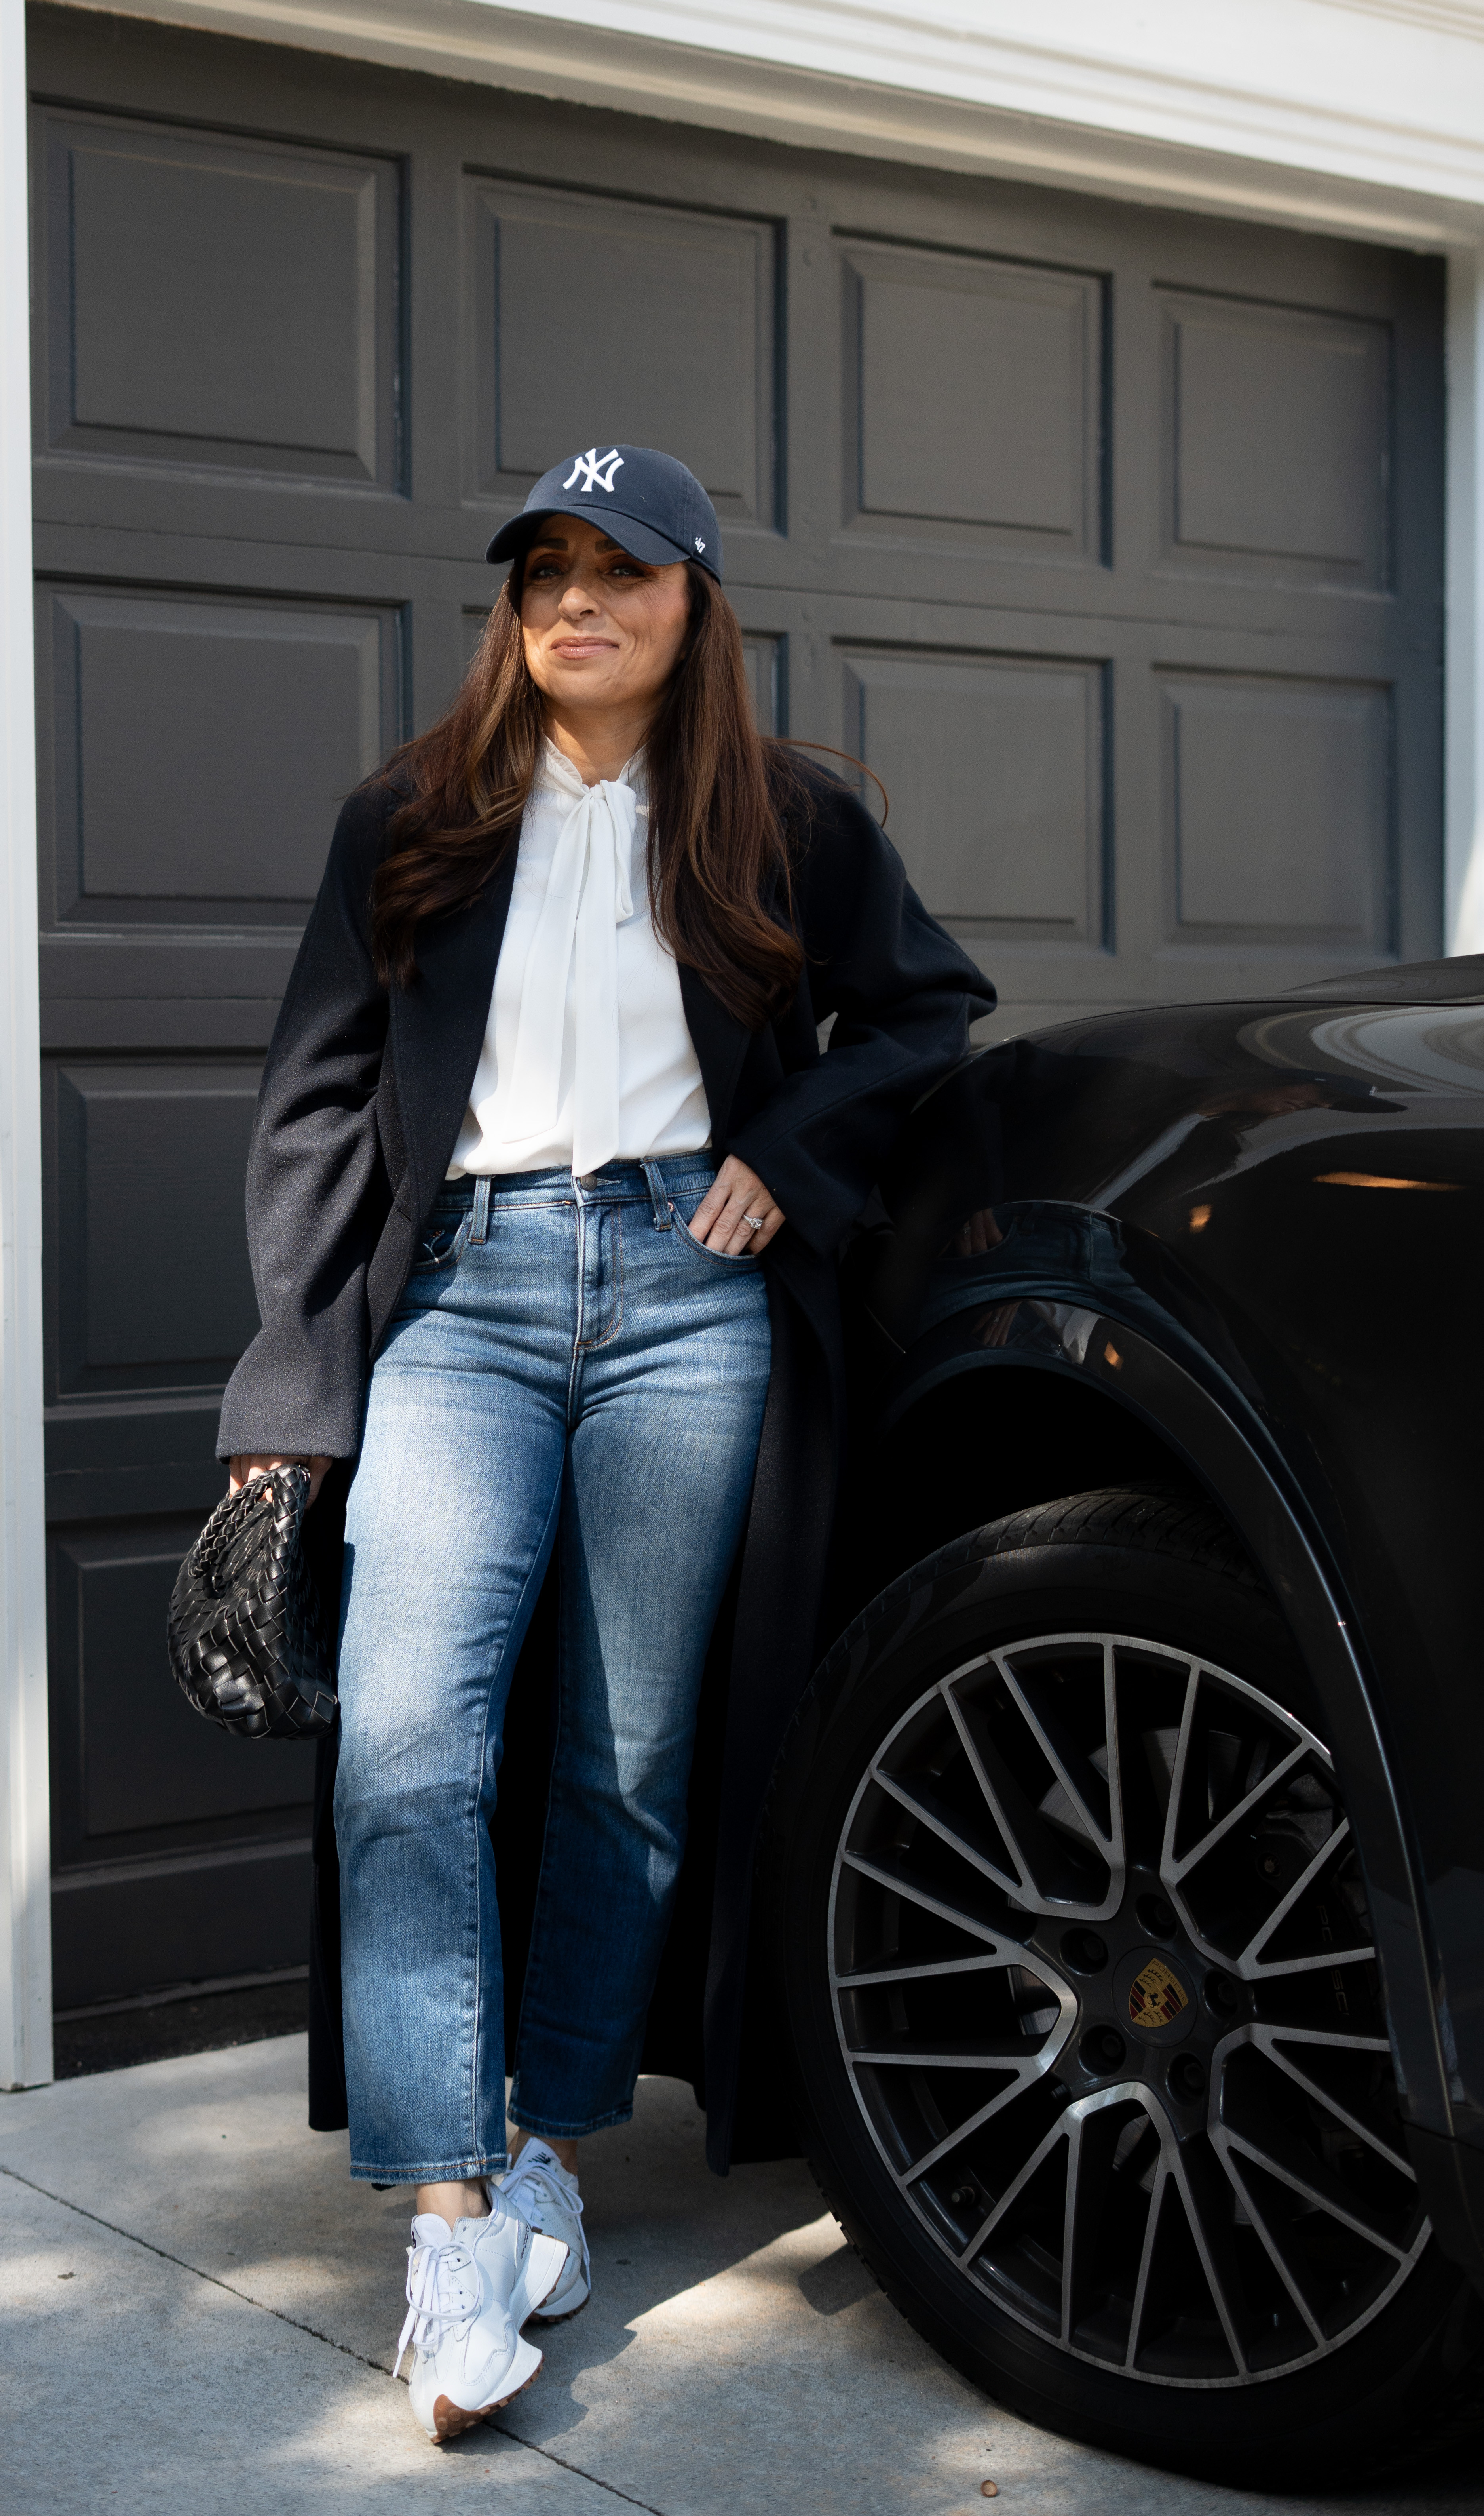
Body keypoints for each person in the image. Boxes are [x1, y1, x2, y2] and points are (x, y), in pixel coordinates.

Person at [217, 445, 994, 2442]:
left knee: (629, 1758)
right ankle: (450, 2211)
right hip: (462, 1295)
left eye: (620, 570)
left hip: (686, 1293)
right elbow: (314, 1100)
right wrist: (291, 1381)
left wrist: (789, 1153)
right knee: (408, 1736)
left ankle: (550, 2146)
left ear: (693, 602)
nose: (576, 600)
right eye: (545, 569)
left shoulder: (788, 818)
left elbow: (926, 1014)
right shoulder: (413, 817)